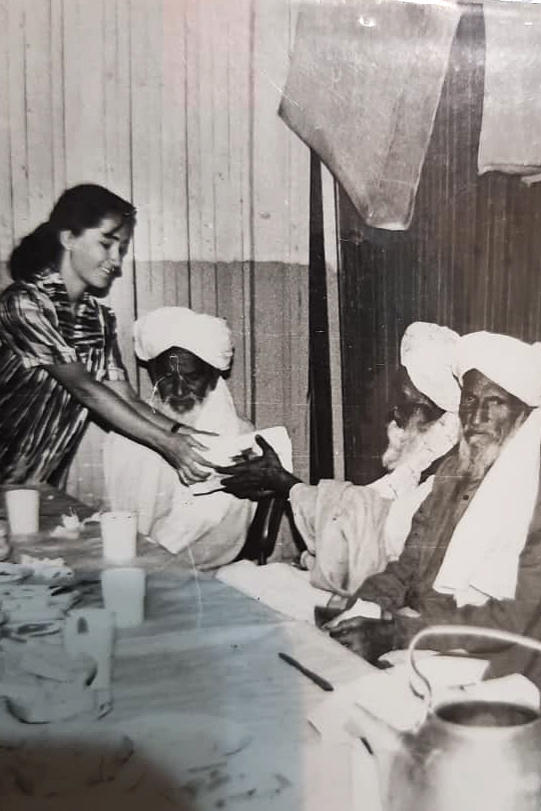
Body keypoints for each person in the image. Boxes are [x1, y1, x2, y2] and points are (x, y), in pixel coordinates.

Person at [328, 331, 541, 666]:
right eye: (470, 401)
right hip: (424, 634)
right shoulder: (451, 473)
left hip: (496, 660)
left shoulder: (532, 497)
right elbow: (406, 569)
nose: (477, 417)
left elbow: (510, 621)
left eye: (495, 402)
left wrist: (397, 635)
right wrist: (365, 604)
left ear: (524, 414)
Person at [218, 322, 461, 599]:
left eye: (405, 401)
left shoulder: (448, 470)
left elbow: (373, 530)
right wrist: (285, 485)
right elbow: (366, 505)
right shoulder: (427, 453)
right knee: (235, 578)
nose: (395, 410)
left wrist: (286, 484)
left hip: (380, 592)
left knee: (237, 583)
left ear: (434, 407)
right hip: (361, 575)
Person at [0, 185, 209, 487]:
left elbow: (124, 397)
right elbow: (84, 388)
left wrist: (182, 434)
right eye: (106, 244)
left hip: (36, 485)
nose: (116, 260)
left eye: (121, 249)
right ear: (68, 238)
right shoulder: (22, 304)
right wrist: (167, 444)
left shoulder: (98, 318)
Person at [103, 307, 256, 569]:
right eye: (166, 377)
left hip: (202, 569)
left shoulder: (238, 435)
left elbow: (219, 531)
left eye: (191, 377)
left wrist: (151, 560)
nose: (178, 389)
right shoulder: (128, 433)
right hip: (133, 560)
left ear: (213, 375)